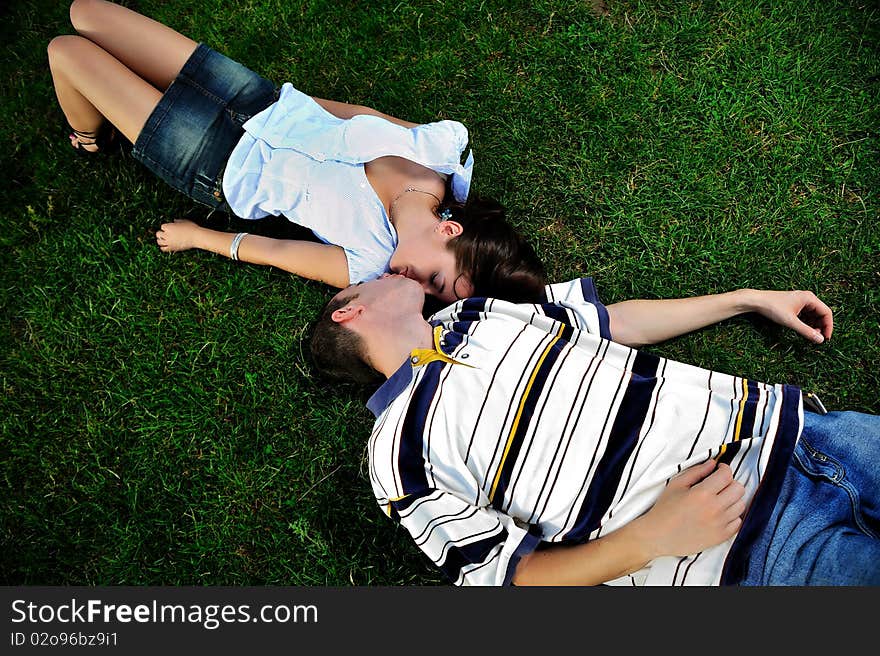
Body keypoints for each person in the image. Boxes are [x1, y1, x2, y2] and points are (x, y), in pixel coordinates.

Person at [309, 273, 880, 585]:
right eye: (370, 279)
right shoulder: (396, 456)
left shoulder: (473, 314)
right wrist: (652, 539)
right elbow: (511, 578)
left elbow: (616, 323)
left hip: (804, 437)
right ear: (347, 308)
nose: (390, 271)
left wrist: (746, 300)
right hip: (751, 550)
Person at [47, 0, 546, 304]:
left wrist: (199, 237)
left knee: (65, 52)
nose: (420, 288)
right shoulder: (437, 153)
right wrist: (293, 103)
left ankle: (91, 137)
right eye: (437, 279)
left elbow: (277, 251)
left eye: (433, 295)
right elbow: (355, 113)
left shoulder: (368, 260)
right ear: (449, 230)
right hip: (253, 98)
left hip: (216, 161)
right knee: (85, 13)